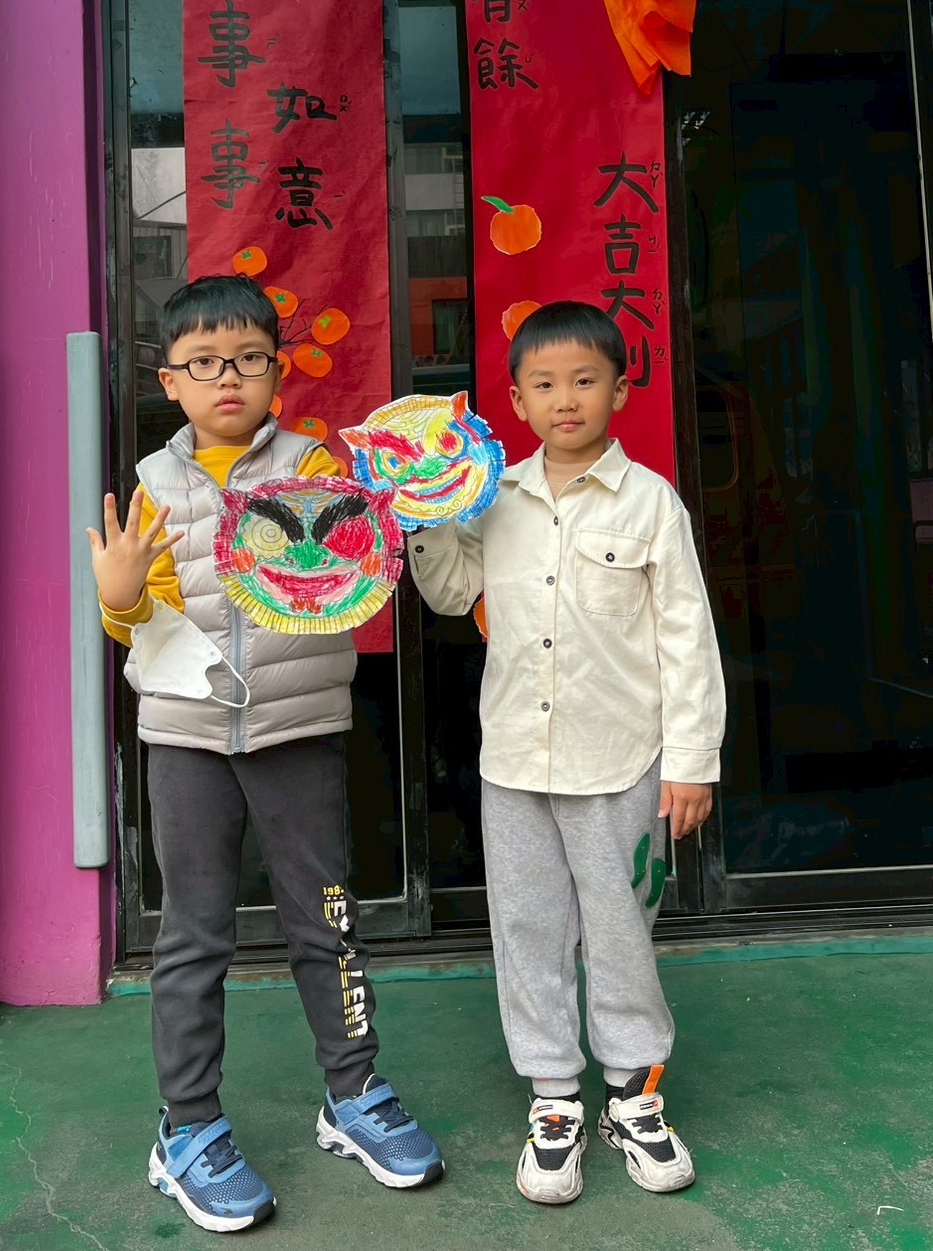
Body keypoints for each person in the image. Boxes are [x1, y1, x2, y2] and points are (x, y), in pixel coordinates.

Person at [88, 274, 442, 1234]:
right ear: (170, 381)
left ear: (277, 370)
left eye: (247, 358)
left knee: (328, 921)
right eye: (204, 363)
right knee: (192, 934)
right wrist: (119, 596)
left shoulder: (318, 466)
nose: (228, 377)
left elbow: (362, 574)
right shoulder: (154, 487)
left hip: (300, 732)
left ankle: (354, 1094)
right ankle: (187, 1127)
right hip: (187, 741)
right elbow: (144, 623)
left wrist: (398, 517)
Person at [409, 300, 725, 1207]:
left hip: (621, 759)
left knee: (621, 926)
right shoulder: (494, 498)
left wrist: (692, 759)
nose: (566, 399)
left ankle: (633, 1092)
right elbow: (450, 593)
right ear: (516, 401)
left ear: (620, 390)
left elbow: (687, 637)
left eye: (585, 380)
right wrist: (425, 516)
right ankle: (553, 1097)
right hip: (514, 761)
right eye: (544, 385)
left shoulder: (652, 502)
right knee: (528, 928)